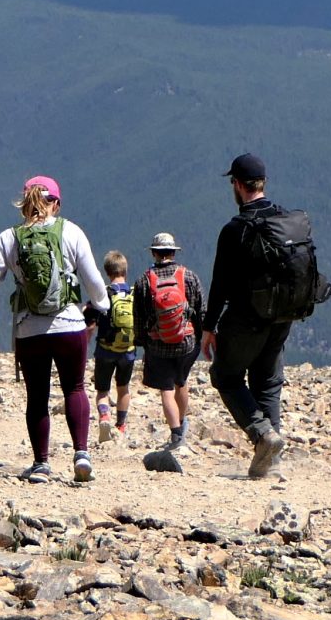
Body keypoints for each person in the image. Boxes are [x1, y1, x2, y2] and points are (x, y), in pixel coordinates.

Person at [0, 175, 109, 483]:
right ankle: (81, 454)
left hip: (28, 329)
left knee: (37, 396)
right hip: (70, 324)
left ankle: (41, 464)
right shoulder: (71, 231)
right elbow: (93, 282)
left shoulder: (10, 237)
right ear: (56, 204)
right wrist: (101, 307)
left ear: (24, 204)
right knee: (74, 387)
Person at [204, 151, 293, 479]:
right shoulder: (285, 220)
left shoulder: (235, 229)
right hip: (283, 315)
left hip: (246, 318)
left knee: (225, 377)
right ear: (263, 183)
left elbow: (220, 284)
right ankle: (272, 463)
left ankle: (263, 436)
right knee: (267, 381)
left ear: (238, 185)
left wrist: (208, 326)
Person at [134, 232, 205, 472]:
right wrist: (199, 337)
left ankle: (175, 434)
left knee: (166, 389)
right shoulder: (189, 277)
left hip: (158, 344)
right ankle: (182, 424)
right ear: (173, 253)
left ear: (154, 253)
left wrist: (142, 341)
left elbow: (140, 316)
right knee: (181, 382)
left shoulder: (145, 280)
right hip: (186, 341)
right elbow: (200, 309)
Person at [93, 249, 136, 440]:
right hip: (128, 350)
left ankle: (104, 415)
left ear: (107, 273)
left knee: (103, 390)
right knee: (123, 388)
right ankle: (121, 425)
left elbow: (92, 319)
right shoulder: (134, 293)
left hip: (105, 349)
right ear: (125, 271)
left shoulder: (104, 293)